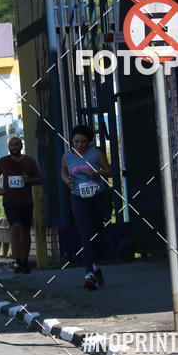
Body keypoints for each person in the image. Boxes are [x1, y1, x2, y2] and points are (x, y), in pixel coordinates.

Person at [61, 124, 112, 290]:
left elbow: (110, 171)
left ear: (89, 141)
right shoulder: (67, 156)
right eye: (76, 141)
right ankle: (89, 273)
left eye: (83, 142)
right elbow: (63, 172)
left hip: (98, 196)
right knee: (85, 233)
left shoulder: (96, 153)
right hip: (78, 197)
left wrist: (97, 173)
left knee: (97, 233)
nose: (79, 145)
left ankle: (95, 264)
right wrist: (66, 179)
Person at [0, 136, 41, 273]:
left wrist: (29, 180)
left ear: (21, 146)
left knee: (25, 231)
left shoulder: (29, 161)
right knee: (15, 228)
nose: (14, 146)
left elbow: (39, 178)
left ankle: (25, 261)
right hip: (10, 201)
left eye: (16, 144)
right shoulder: (3, 161)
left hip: (26, 202)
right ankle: (17, 261)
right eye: (11, 144)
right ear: (8, 147)